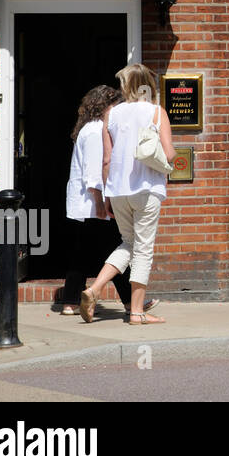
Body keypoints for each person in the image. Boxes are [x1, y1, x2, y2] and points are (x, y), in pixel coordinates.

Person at [81, 64, 176, 325]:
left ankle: (95, 288)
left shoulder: (111, 115)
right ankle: (136, 312)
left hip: (118, 190)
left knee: (129, 243)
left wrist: (107, 197)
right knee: (143, 250)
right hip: (146, 189)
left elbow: (106, 160)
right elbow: (168, 154)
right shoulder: (157, 113)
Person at [58, 84, 155, 319]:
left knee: (83, 253)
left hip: (89, 203)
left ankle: (71, 301)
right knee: (118, 248)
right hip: (93, 202)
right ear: (105, 106)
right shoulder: (94, 131)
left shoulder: (89, 128)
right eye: (115, 106)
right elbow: (93, 172)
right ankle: (130, 303)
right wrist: (102, 204)